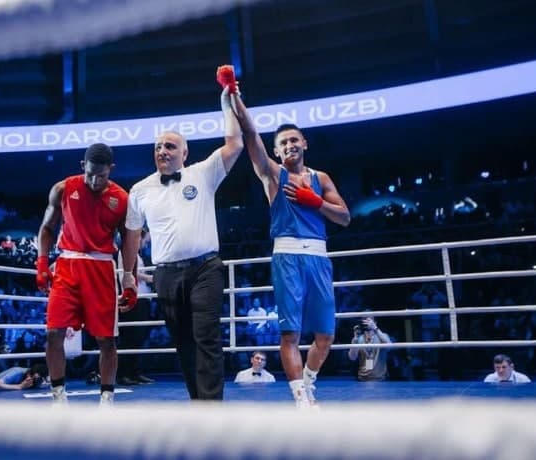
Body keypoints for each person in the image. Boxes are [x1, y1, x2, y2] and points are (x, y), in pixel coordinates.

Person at [120, 84, 244, 400]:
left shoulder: (203, 173)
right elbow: (132, 233)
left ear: (184, 153)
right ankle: (198, 400)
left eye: (170, 146)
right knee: (183, 342)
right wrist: (128, 276)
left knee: (207, 336)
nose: (162, 150)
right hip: (165, 274)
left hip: (205, 269)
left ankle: (210, 408)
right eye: (158, 146)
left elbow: (235, 144)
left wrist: (227, 103)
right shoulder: (140, 190)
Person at [232, 95, 351, 408]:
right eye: (283, 143)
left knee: (325, 335)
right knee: (290, 334)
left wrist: (317, 202)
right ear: (276, 150)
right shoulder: (272, 174)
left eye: (294, 140)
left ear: (304, 143)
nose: (289, 145)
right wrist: (234, 98)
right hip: (287, 256)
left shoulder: (321, 178)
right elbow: (251, 135)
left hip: (318, 257)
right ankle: (300, 398)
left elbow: (344, 217)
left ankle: (308, 384)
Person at [36, 143, 134, 405]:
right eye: (90, 174)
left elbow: (128, 241)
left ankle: (107, 399)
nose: (94, 181)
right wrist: (42, 262)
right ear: (83, 166)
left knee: (106, 340)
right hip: (67, 265)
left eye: (101, 175)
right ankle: (58, 397)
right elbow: (47, 228)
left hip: (101, 268)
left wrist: (129, 279)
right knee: (53, 332)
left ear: (111, 169)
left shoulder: (122, 199)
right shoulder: (63, 188)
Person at [116, 228, 156, 386]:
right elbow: (130, 273)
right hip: (132, 297)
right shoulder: (125, 252)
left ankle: (135, 372)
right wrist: (150, 278)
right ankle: (124, 374)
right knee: (129, 337)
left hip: (142, 298)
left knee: (138, 338)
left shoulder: (137, 255)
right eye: (143, 240)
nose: (144, 243)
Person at [347, 316, 392, 381]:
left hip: (381, 379)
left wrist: (375, 328)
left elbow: (389, 347)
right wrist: (355, 339)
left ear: (375, 322)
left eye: (368, 320)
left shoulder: (382, 336)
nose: (366, 322)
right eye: (364, 320)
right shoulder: (358, 338)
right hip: (362, 379)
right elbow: (352, 358)